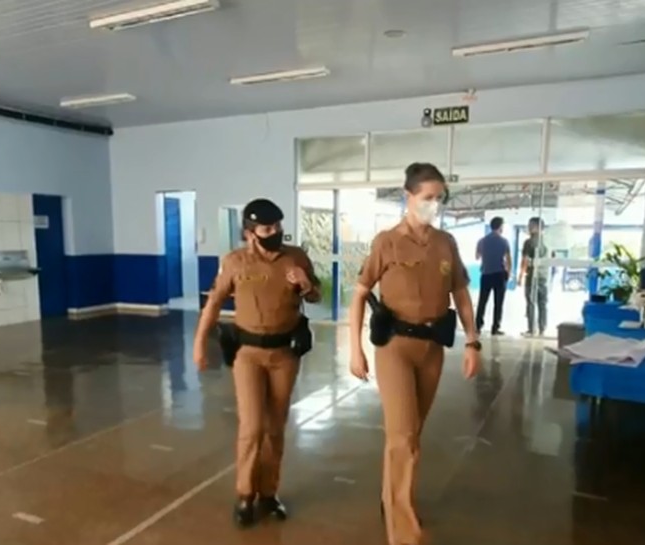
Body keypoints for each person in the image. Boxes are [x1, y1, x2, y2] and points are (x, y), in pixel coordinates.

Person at [348, 162, 482, 545]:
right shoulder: (386, 242)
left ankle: (391, 496)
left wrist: (472, 341)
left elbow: (460, 293)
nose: (433, 205)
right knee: (403, 437)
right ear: (408, 197)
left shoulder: (445, 243)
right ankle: (404, 533)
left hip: (432, 350)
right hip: (394, 349)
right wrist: (354, 349)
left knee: (410, 436)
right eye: (427, 198)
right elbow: (360, 293)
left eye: (439, 198)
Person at [193, 198, 320, 528]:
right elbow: (214, 302)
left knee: (275, 428)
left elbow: (317, 294)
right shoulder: (234, 262)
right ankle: (245, 495)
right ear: (250, 233)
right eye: (267, 228)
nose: (275, 232)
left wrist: (305, 285)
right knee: (251, 427)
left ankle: (268, 493)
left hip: (284, 355)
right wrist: (199, 344)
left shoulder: (296, 258)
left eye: (278, 226)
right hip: (248, 355)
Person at [474, 216, 511, 335]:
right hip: (499, 274)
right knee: (498, 303)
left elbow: (477, 256)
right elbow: (508, 259)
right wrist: (508, 272)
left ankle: (478, 326)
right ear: (500, 227)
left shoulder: (482, 241)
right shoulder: (504, 241)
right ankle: (495, 327)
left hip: (486, 274)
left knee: (482, 301)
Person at [518, 216, 549, 337]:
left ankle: (531, 329)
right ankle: (542, 328)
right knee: (543, 303)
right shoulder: (547, 242)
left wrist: (520, 276)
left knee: (531, 302)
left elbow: (525, 260)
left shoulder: (529, 242)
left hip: (532, 276)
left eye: (531, 225)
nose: (529, 227)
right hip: (544, 277)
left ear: (536, 227)